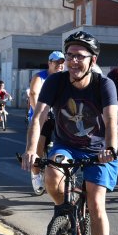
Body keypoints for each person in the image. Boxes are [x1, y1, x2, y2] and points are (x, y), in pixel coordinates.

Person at [22, 31, 118, 235]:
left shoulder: (104, 85)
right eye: (70, 55)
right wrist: (32, 149)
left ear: (93, 60)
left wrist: (111, 147)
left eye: (80, 56)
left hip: (98, 150)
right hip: (66, 145)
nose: (73, 61)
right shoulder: (56, 82)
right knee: (52, 176)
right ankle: (66, 215)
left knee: (96, 204)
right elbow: (39, 117)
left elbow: (110, 120)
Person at [28, 51, 65, 193]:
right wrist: (40, 113)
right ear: (50, 63)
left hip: (58, 116)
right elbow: (33, 95)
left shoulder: (64, 78)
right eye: (57, 63)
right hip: (42, 117)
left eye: (62, 63)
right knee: (39, 145)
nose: (60, 66)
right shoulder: (40, 77)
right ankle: (36, 174)